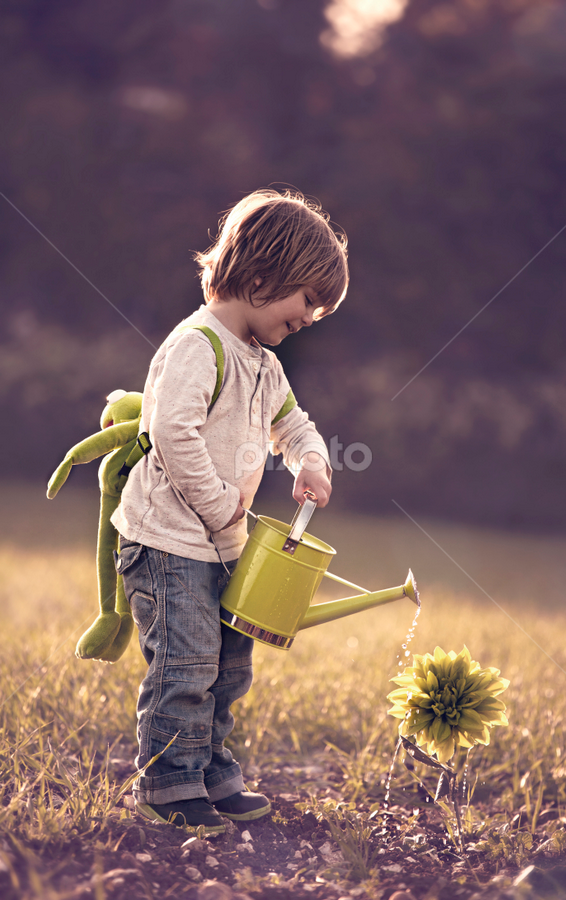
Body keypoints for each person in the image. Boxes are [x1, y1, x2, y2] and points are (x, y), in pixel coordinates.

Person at [111, 188, 349, 833]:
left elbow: (292, 423)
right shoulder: (198, 346)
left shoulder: (265, 366)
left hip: (221, 544)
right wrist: (222, 511)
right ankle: (168, 782)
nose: (309, 318)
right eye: (305, 303)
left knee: (227, 666)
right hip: (169, 542)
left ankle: (210, 773)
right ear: (265, 275)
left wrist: (311, 460)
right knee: (185, 664)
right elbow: (174, 434)